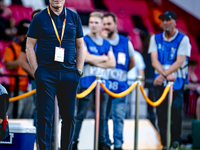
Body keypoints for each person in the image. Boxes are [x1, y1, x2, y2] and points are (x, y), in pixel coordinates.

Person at [26, 0, 85, 149]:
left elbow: (80, 46)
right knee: (45, 116)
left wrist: (78, 71)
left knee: (70, 116)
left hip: (69, 73)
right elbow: (29, 45)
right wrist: (37, 71)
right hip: (46, 73)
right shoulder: (39, 18)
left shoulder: (74, 17)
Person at [72, 12, 116, 150]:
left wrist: (94, 60)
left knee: (103, 116)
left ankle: (102, 142)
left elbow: (112, 63)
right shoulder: (83, 39)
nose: (93, 25)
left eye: (96, 22)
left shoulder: (106, 43)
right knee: (80, 115)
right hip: (87, 83)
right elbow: (85, 58)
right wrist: (103, 58)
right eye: (91, 22)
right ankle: (73, 142)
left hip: (104, 85)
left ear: (102, 24)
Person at [148, 11, 191, 149]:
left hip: (177, 82)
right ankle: (164, 142)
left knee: (176, 111)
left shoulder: (183, 39)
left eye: (168, 19)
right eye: (163, 20)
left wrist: (163, 74)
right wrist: (165, 75)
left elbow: (179, 61)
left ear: (175, 22)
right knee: (161, 113)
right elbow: (154, 62)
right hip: (160, 82)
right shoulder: (155, 38)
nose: (165, 22)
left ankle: (175, 141)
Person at [101, 13, 135, 150]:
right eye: (104, 24)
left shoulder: (126, 42)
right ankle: (104, 143)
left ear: (115, 25)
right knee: (103, 117)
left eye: (109, 24)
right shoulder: (99, 41)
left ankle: (118, 145)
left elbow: (131, 62)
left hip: (121, 87)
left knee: (118, 117)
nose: (106, 27)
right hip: (103, 87)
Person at [4, 19, 34, 119]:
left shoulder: (32, 49)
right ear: (20, 36)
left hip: (30, 88)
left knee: (28, 117)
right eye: (24, 35)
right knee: (13, 117)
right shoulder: (11, 48)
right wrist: (23, 59)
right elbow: (8, 65)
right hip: (17, 89)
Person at [126, 50, 145, 119]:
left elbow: (141, 73)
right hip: (122, 82)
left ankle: (127, 120)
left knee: (128, 106)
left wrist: (141, 88)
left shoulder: (137, 55)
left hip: (131, 84)